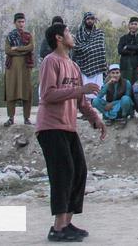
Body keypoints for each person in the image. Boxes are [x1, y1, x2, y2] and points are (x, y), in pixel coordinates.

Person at [37, 19, 106, 242]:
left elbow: (82, 101)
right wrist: (80, 89)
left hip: (68, 126)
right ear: (58, 38)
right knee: (63, 172)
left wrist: (96, 119)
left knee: (79, 171)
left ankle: (66, 222)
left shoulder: (74, 66)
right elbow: (47, 94)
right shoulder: (51, 61)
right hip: (50, 126)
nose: (72, 36)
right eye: (68, 32)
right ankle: (57, 228)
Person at [4, 12, 35, 126]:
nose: (21, 24)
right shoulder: (10, 36)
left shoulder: (28, 35)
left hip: (26, 67)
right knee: (11, 91)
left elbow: (31, 47)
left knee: (27, 92)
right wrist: (23, 51)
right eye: (19, 22)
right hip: (12, 68)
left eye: (23, 22)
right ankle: (11, 118)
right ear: (14, 23)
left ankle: (27, 118)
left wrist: (17, 48)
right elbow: (8, 50)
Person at [71, 12, 107, 102]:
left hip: (97, 66)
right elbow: (76, 48)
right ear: (84, 20)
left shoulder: (99, 33)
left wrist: (87, 48)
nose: (90, 21)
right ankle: (85, 107)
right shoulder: (79, 34)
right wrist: (88, 48)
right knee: (84, 90)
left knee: (97, 90)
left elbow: (100, 47)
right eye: (88, 19)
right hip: (83, 64)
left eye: (92, 19)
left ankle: (96, 106)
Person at [117, 17, 138, 84]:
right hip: (125, 66)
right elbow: (120, 50)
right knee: (124, 86)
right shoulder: (123, 38)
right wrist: (134, 49)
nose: (133, 26)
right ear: (129, 25)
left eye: (135, 24)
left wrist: (127, 46)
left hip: (137, 66)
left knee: (136, 85)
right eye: (132, 24)